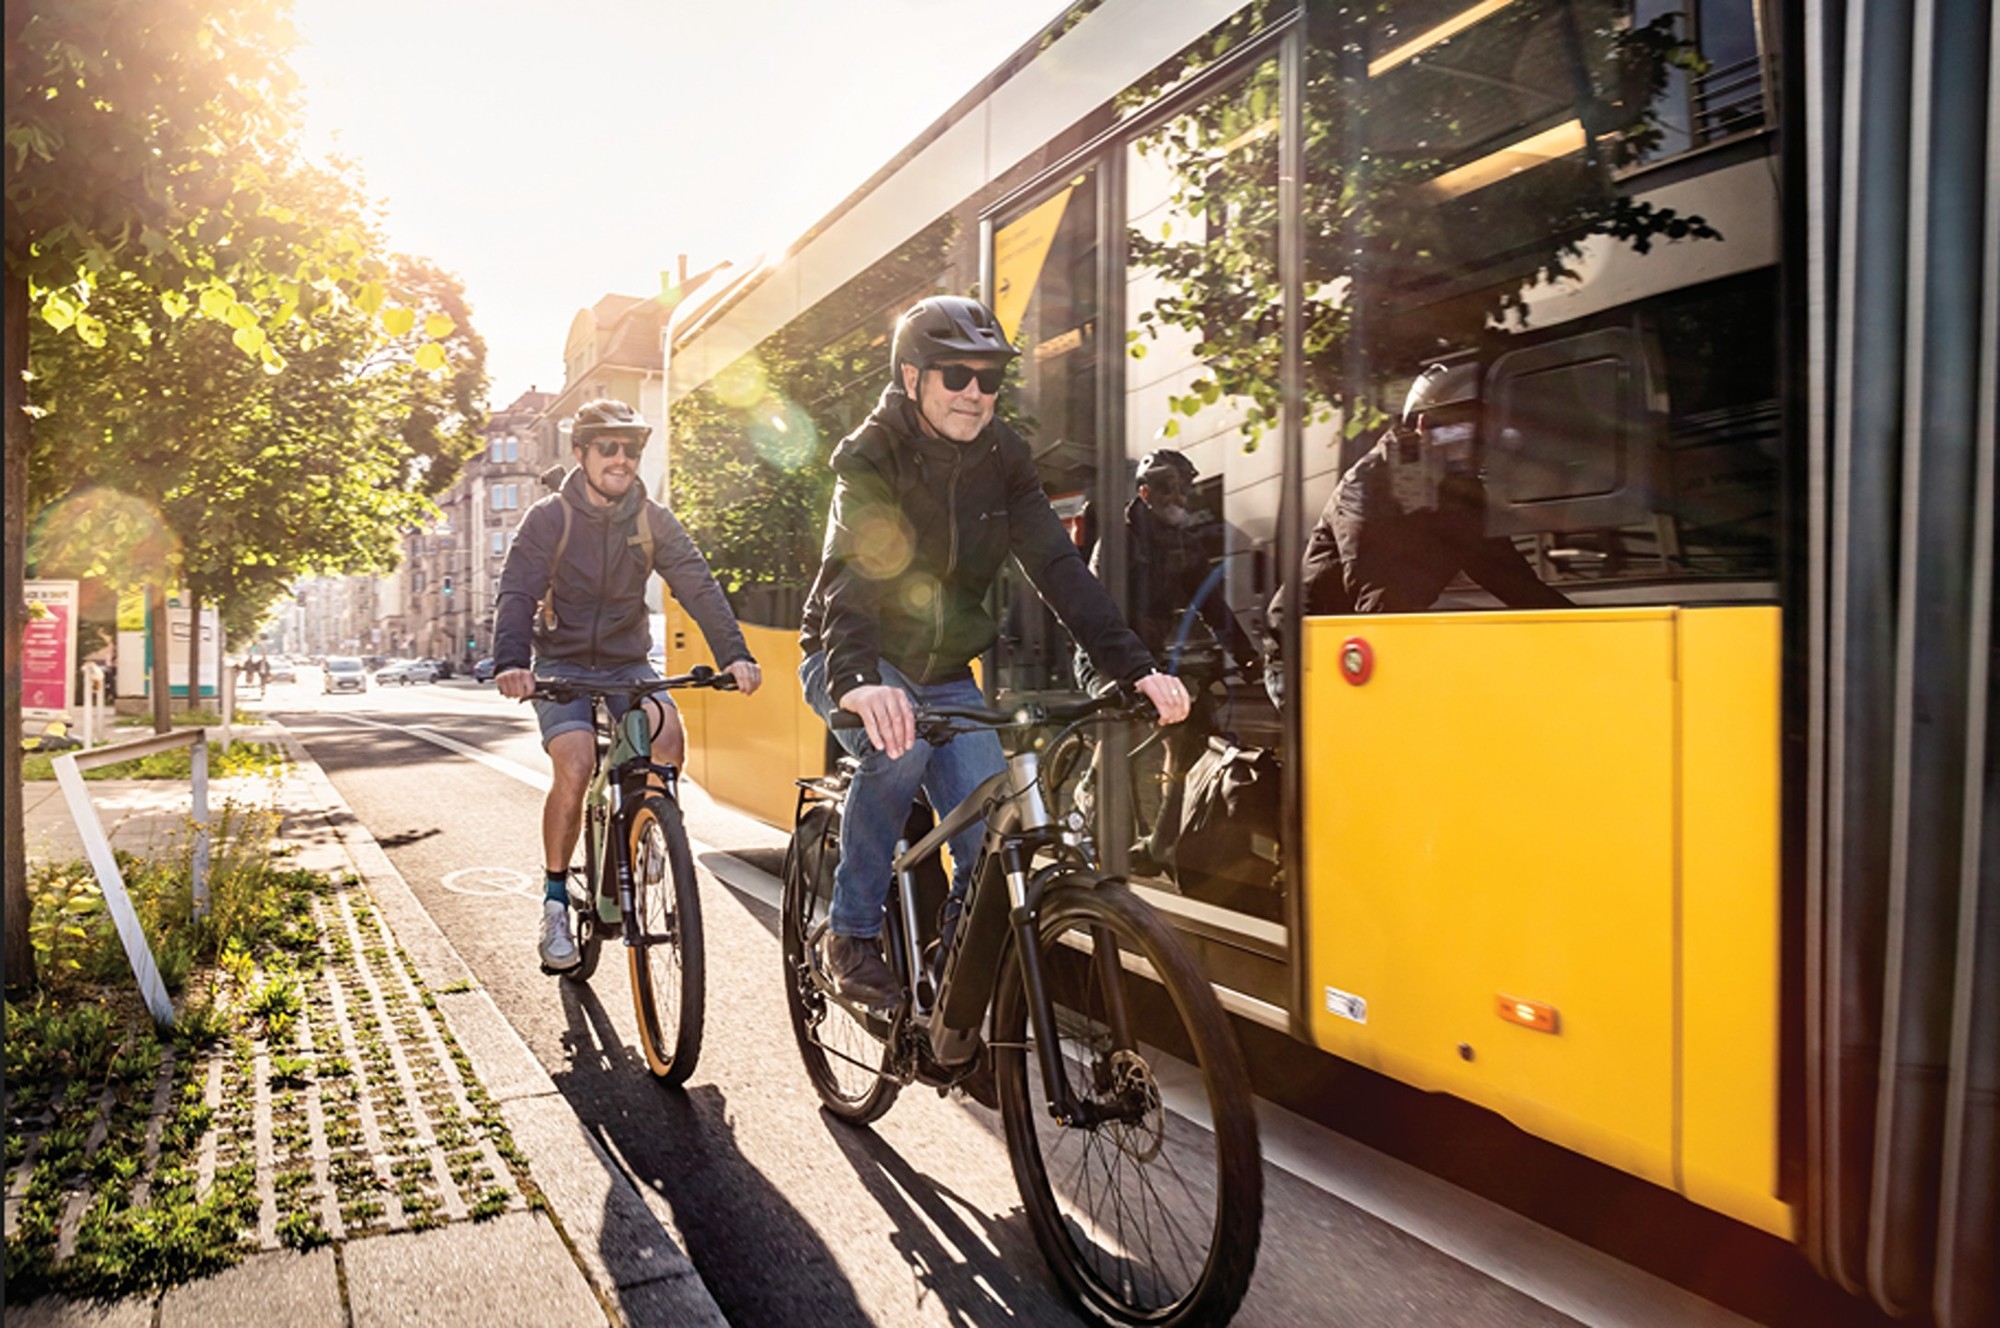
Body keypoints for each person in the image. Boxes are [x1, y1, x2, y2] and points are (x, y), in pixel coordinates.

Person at [799, 295, 1191, 1010]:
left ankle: (953, 978)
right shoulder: (871, 452)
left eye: (990, 378)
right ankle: (850, 935)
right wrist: (856, 679)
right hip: (852, 656)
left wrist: (1133, 667)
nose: (975, 393)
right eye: (956, 375)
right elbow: (854, 571)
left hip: (946, 672)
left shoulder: (1003, 456)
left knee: (990, 829)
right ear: (913, 377)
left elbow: (1059, 569)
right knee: (899, 748)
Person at [493, 398, 762, 973]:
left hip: (627, 662)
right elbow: (517, 590)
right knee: (575, 763)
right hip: (562, 665)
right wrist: (511, 662)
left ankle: (649, 837)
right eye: (608, 447)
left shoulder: (652, 520)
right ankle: (555, 902)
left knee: (668, 740)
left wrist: (735, 655)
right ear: (581, 453)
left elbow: (698, 585)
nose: (621, 458)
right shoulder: (549, 518)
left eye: (632, 449)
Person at [1265, 361, 1571, 702]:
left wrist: (1578, 634)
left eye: (1484, 435)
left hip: (1367, 640)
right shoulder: (1369, 486)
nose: (1479, 448)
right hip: (1307, 654)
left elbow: (1512, 580)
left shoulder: (1460, 494)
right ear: (1425, 425)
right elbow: (1378, 596)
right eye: (1466, 433)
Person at [1082, 448, 1262, 874]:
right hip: (1104, 654)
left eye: (1184, 488)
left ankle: (1163, 842)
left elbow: (1212, 606)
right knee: (1122, 726)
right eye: (1167, 487)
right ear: (1145, 493)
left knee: (1187, 732)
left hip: (1150, 658)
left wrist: (1247, 657)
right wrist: (1133, 665)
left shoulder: (1184, 544)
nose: (1178, 496)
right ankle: (1092, 814)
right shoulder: (1119, 541)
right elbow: (1100, 614)